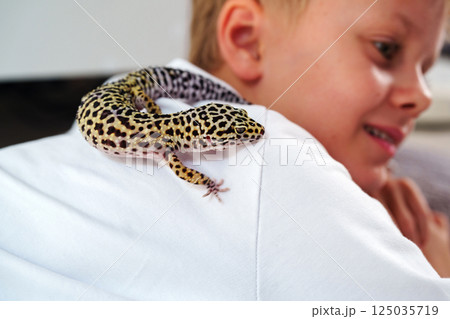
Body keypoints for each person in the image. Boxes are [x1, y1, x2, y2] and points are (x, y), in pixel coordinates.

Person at [0, 0, 449, 300]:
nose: (424, 96)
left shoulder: (136, 112)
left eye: (430, 66)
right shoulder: (272, 163)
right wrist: (436, 268)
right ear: (245, 39)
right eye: (385, 48)